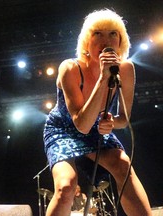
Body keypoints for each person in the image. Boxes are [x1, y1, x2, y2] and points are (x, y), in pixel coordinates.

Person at [43, 9, 152, 216]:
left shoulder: (126, 68)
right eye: (98, 34)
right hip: (64, 129)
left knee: (123, 165)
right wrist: (103, 78)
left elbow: (123, 120)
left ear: (121, 40)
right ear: (86, 41)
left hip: (96, 128)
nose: (106, 40)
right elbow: (81, 125)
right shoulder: (70, 68)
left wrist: (112, 123)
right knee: (66, 187)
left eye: (113, 33)